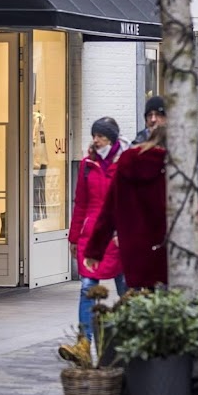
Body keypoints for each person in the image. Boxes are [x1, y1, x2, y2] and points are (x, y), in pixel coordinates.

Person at [85, 125, 198, 289]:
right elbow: (191, 213)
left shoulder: (127, 163)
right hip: (169, 253)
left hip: (135, 253)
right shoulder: (174, 168)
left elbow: (108, 211)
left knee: (144, 306)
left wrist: (94, 251)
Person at [69, 117, 129, 338]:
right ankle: (84, 342)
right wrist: (74, 237)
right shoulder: (87, 165)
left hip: (118, 235)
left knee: (125, 289)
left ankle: (129, 338)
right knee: (87, 288)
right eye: (94, 136)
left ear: (111, 139)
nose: (96, 141)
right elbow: (81, 204)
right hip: (92, 234)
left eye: (101, 136)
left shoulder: (126, 164)